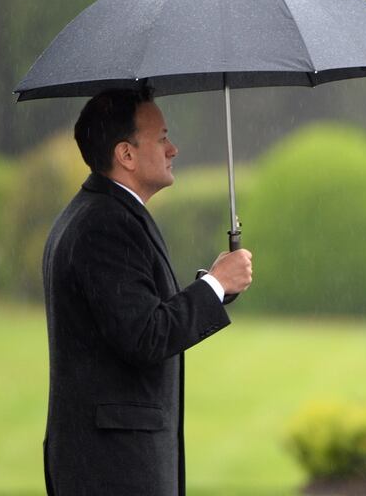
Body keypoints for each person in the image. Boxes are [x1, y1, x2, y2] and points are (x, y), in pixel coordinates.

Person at [41, 89, 253, 495]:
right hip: (115, 468)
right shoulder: (106, 225)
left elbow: (137, 317)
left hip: (108, 461)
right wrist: (215, 284)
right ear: (126, 154)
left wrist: (216, 289)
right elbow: (145, 337)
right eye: (162, 138)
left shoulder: (102, 213)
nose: (173, 148)